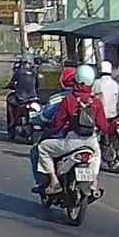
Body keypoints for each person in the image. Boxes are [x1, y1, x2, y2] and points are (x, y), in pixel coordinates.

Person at [35, 64, 109, 195]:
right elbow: (103, 126)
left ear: (76, 80)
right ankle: (94, 182)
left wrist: (47, 134)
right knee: (97, 155)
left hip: (71, 142)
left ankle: (54, 182)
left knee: (42, 148)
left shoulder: (69, 100)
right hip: (91, 142)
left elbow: (58, 123)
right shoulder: (96, 102)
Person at [6, 55, 41, 127]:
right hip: (33, 97)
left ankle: (12, 120)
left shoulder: (18, 72)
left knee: (9, 100)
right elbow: (37, 85)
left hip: (20, 97)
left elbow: (12, 83)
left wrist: (10, 86)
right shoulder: (34, 72)